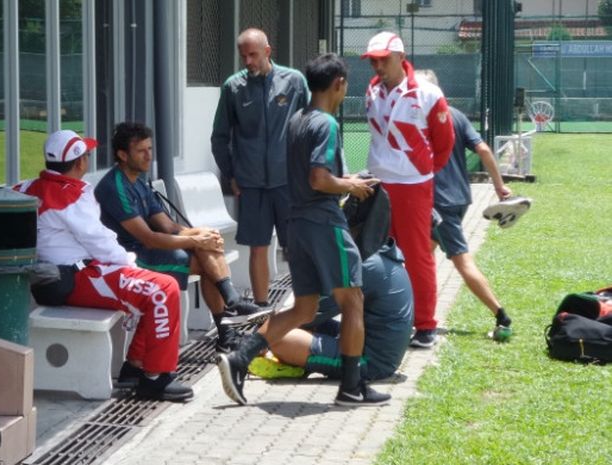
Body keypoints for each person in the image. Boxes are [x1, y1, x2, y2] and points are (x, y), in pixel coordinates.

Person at [216, 53, 390, 407]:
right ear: (339, 84)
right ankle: (352, 387)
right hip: (322, 222)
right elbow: (319, 178)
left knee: (304, 310)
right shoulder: (326, 124)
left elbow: (313, 175)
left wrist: (345, 179)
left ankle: (239, 358)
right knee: (352, 300)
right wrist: (351, 187)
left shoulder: (296, 119)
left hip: (296, 225)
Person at [15, 129, 193, 402]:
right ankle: (156, 378)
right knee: (162, 289)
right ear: (79, 163)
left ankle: (135, 368)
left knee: (154, 288)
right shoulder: (69, 194)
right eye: (86, 155)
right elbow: (98, 241)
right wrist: (129, 263)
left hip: (58, 277)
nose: (87, 159)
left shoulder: (28, 187)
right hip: (73, 277)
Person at [94, 122, 272, 353]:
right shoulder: (114, 186)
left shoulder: (137, 181)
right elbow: (149, 238)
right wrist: (197, 240)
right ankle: (229, 320)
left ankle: (231, 312)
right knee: (210, 264)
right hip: (130, 257)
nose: (149, 156)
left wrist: (202, 233)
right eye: (141, 151)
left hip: (151, 248)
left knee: (209, 252)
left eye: (150, 149)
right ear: (122, 154)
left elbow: (168, 226)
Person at [362, 32, 455, 348]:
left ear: (401, 58)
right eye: (373, 60)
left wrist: (420, 171)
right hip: (377, 183)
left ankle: (426, 325)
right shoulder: (371, 91)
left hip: (414, 186)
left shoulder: (428, 93)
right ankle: (379, 319)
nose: (377, 66)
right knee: (374, 252)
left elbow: (444, 144)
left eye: (383, 60)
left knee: (416, 255)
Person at [211, 28, 310, 307]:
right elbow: (219, 138)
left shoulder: (294, 81)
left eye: (253, 55)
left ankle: (303, 304)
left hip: (288, 181)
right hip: (251, 183)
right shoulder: (233, 87)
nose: (248, 61)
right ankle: (262, 307)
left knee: (297, 247)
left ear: (268, 51)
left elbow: (310, 125)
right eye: (244, 56)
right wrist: (230, 175)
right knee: (258, 247)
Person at [414, 69, 514, 333]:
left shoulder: (420, 118)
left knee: (461, 261)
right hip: (459, 199)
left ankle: (501, 315)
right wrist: (499, 186)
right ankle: (416, 312)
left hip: (439, 203)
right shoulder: (455, 115)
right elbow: (482, 148)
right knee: (422, 256)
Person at [249, 240, 413, 381]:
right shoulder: (380, 256)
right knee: (286, 325)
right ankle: (297, 358)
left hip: (369, 363)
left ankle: (294, 363)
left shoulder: (365, 266)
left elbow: (312, 312)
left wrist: (258, 341)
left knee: (279, 338)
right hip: (375, 349)